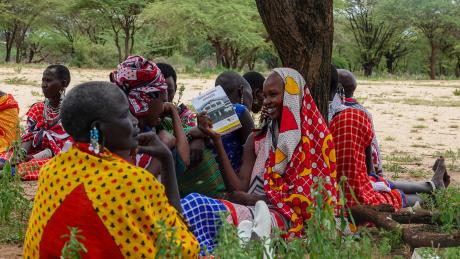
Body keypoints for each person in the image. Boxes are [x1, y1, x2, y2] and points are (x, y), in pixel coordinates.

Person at [23, 81, 199, 258]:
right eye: (125, 114)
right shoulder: (132, 181)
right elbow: (182, 247)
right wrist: (167, 159)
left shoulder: (51, 170)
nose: (135, 120)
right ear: (98, 129)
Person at [180, 68, 338, 253]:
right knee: (194, 204)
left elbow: (313, 202)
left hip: (291, 220)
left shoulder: (316, 139)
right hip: (253, 211)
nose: (266, 101)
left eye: (273, 94)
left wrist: (254, 199)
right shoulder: (257, 140)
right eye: (264, 96)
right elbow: (238, 188)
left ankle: (251, 238)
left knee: (213, 212)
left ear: (292, 96)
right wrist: (216, 139)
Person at [328, 68, 449, 209]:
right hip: (353, 191)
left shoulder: (321, 115)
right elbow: (370, 165)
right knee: (387, 194)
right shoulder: (358, 114)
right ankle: (432, 195)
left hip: (332, 189)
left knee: (378, 186)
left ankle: (432, 188)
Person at [110, 56, 190, 173]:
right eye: (163, 101)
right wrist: (163, 149)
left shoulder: (144, 128)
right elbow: (183, 162)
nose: (164, 107)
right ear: (147, 99)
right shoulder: (123, 137)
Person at [157, 63, 225, 197]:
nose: (165, 98)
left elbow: (200, 131)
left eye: (169, 91)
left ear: (175, 89)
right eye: (159, 92)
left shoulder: (184, 115)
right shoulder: (155, 122)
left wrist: (198, 136)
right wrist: (193, 134)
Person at [0, 65, 72, 180]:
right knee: (8, 155)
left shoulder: (72, 112)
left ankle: (9, 172)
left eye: (49, 81)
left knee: (43, 166)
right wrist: (21, 155)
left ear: (64, 84)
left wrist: (33, 157)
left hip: (60, 157)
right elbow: (29, 136)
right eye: (43, 80)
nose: (44, 85)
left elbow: (67, 149)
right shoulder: (38, 108)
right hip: (33, 151)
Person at [336, 69, 384, 175]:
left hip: (350, 167)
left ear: (337, 88)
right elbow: (373, 144)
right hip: (364, 168)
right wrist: (378, 172)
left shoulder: (335, 110)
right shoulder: (364, 111)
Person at [214, 71, 255, 172]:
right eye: (250, 94)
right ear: (241, 91)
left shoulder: (212, 115)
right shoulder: (240, 110)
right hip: (237, 178)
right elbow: (255, 149)